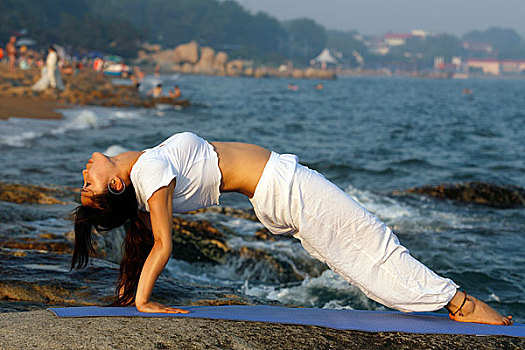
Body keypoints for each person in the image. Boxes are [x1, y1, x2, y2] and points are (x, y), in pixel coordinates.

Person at [73, 132, 513, 325]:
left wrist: (136, 294)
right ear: (116, 184)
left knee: (357, 255)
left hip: (278, 193)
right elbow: (164, 243)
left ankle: (429, 303)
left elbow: (151, 233)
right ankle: (460, 303)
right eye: (88, 186)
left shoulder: (147, 172)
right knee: (371, 241)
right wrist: (143, 301)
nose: (83, 172)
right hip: (285, 188)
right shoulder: (149, 171)